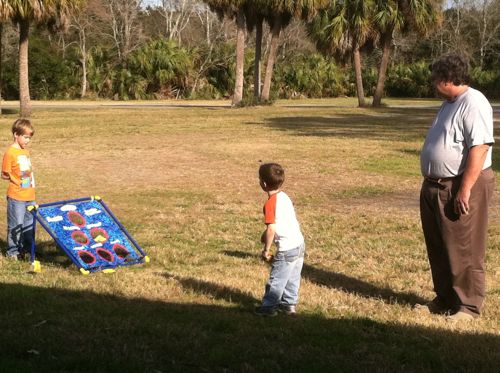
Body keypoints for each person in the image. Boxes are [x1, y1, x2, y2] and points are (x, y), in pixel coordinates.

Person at [418, 53, 495, 322]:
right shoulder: (449, 103)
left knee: (463, 246)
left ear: (448, 78)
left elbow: (480, 147)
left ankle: (468, 306)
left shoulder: (473, 103)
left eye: (436, 78)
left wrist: (465, 189)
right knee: (438, 245)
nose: (432, 82)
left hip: (459, 184)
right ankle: (445, 298)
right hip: (435, 185)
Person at [254, 163, 305, 316]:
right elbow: (281, 221)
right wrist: (265, 236)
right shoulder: (284, 197)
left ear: (263, 183)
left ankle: (269, 308)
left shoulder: (270, 204)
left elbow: (271, 228)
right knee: (292, 277)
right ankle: (288, 304)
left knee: (277, 279)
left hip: (287, 248)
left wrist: (266, 250)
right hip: (299, 244)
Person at [2, 119, 36, 260]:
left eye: (29, 137)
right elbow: (4, 173)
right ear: (16, 134)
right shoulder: (10, 153)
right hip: (16, 196)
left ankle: (27, 250)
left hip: (30, 195)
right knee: (16, 224)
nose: (28, 140)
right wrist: (18, 182)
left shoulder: (25, 152)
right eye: (26, 137)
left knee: (29, 225)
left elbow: (27, 171)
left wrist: (30, 184)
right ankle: (13, 252)